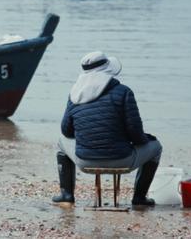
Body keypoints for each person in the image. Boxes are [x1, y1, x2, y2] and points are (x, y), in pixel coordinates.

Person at [52, 51, 162, 207]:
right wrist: (146, 139)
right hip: (122, 159)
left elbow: (66, 132)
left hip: (84, 161)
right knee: (156, 147)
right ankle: (139, 199)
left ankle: (66, 195)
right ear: (108, 70)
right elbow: (135, 133)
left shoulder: (75, 94)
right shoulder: (124, 92)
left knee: (61, 142)